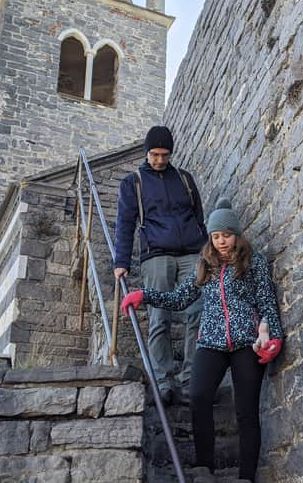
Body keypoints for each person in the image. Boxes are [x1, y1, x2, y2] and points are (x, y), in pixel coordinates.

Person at [122, 198, 283, 483]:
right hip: (210, 342)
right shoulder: (205, 265)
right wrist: (144, 295)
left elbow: (267, 303)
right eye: (216, 236)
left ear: (237, 235)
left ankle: (246, 477)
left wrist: (275, 340)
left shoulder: (253, 261)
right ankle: (204, 467)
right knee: (198, 397)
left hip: (247, 342)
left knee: (246, 411)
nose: (222, 241)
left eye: (227, 235)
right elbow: (179, 298)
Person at [114, 125, 207, 405]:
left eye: (164, 154)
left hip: (192, 253)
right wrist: (121, 261)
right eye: (154, 154)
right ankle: (164, 381)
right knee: (160, 319)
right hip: (156, 256)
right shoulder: (133, 182)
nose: (159, 160)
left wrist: (206, 252)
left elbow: (198, 217)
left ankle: (192, 379)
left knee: (198, 313)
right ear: (146, 152)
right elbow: (125, 223)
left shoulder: (185, 179)